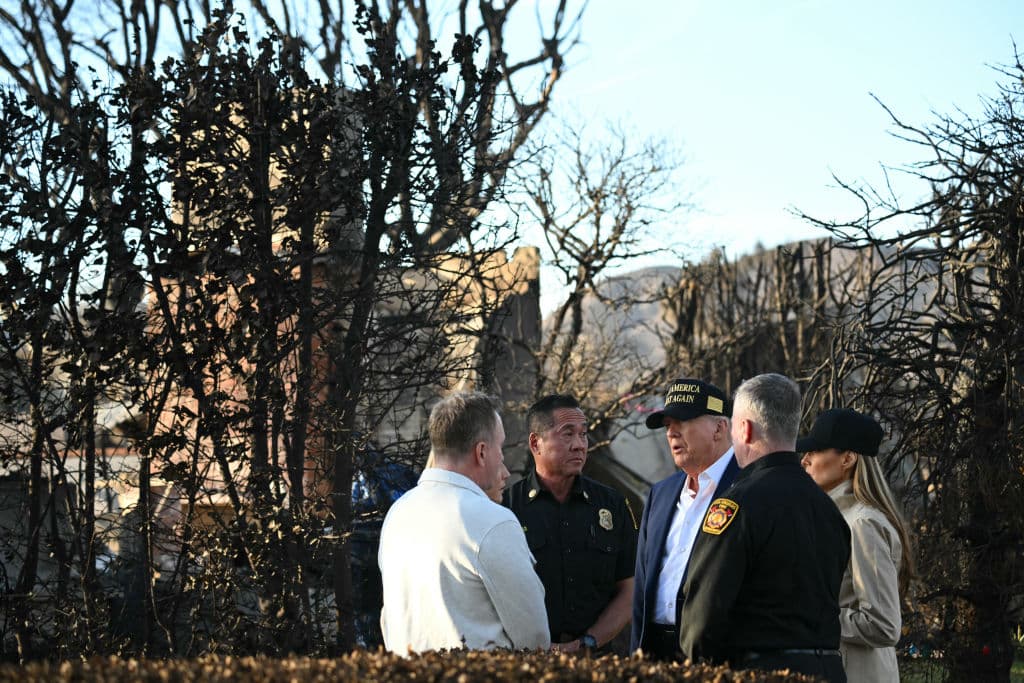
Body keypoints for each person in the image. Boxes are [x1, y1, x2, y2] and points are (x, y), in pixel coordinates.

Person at [677, 373, 851, 683]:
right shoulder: (828, 509)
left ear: (744, 429)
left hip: (763, 672)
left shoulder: (736, 505)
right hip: (828, 671)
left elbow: (703, 618)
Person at [378, 392, 550, 654]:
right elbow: (535, 637)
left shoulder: (397, 514)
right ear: (481, 452)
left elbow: (390, 622)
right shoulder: (494, 521)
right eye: (500, 447)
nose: (502, 460)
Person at [503, 394, 637, 654]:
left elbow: (630, 589)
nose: (579, 445)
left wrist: (588, 643)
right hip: (528, 659)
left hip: (599, 658)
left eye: (583, 434)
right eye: (567, 434)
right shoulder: (507, 509)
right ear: (535, 443)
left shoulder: (612, 505)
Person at [799, 408, 916, 683]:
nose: (804, 460)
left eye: (815, 451)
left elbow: (883, 624)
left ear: (848, 459)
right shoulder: (837, 518)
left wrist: (809, 615)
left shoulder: (863, 525)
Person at [630, 378, 740, 660]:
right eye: (668, 425)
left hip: (717, 656)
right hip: (654, 653)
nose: (671, 432)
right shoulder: (661, 494)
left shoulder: (748, 488)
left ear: (719, 428)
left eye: (683, 420)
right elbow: (642, 588)